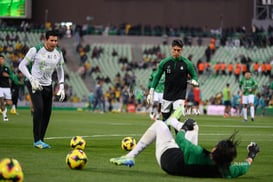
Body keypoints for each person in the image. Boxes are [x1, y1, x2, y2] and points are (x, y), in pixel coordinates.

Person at [110, 108, 260, 178]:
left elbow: (180, 139)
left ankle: (131, 155)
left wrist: (183, 128)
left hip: (167, 158)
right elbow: (244, 167)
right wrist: (251, 154)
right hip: (183, 158)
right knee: (195, 127)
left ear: (215, 150)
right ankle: (175, 119)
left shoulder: (198, 153)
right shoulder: (226, 170)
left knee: (160, 125)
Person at [19, 30, 65, 149]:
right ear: (46, 40)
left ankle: (41, 139)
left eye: (56, 40)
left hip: (48, 85)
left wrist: (62, 85)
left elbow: (60, 70)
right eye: (52, 40)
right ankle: (36, 140)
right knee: (39, 109)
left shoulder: (58, 53)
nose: (54, 43)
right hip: (34, 83)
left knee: (47, 113)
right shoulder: (36, 49)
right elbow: (21, 65)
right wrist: (31, 78)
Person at [147, 39, 198, 125]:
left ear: (182, 50)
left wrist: (194, 80)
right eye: (174, 50)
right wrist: (151, 91)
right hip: (167, 94)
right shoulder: (164, 62)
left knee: (176, 119)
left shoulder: (187, 63)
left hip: (180, 95)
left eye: (179, 50)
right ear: (171, 49)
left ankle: (178, 138)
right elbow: (157, 77)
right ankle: (168, 138)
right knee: (165, 119)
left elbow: (194, 75)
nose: (176, 52)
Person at [0, 54, 18, 121]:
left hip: (7, 87)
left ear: (4, 60)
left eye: (1, 59)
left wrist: (8, 75)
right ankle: (5, 116)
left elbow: (12, 76)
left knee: (9, 103)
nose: (0, 60)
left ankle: (3, 105)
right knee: (1, 100)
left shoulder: (7, 68)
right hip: (0, 87)